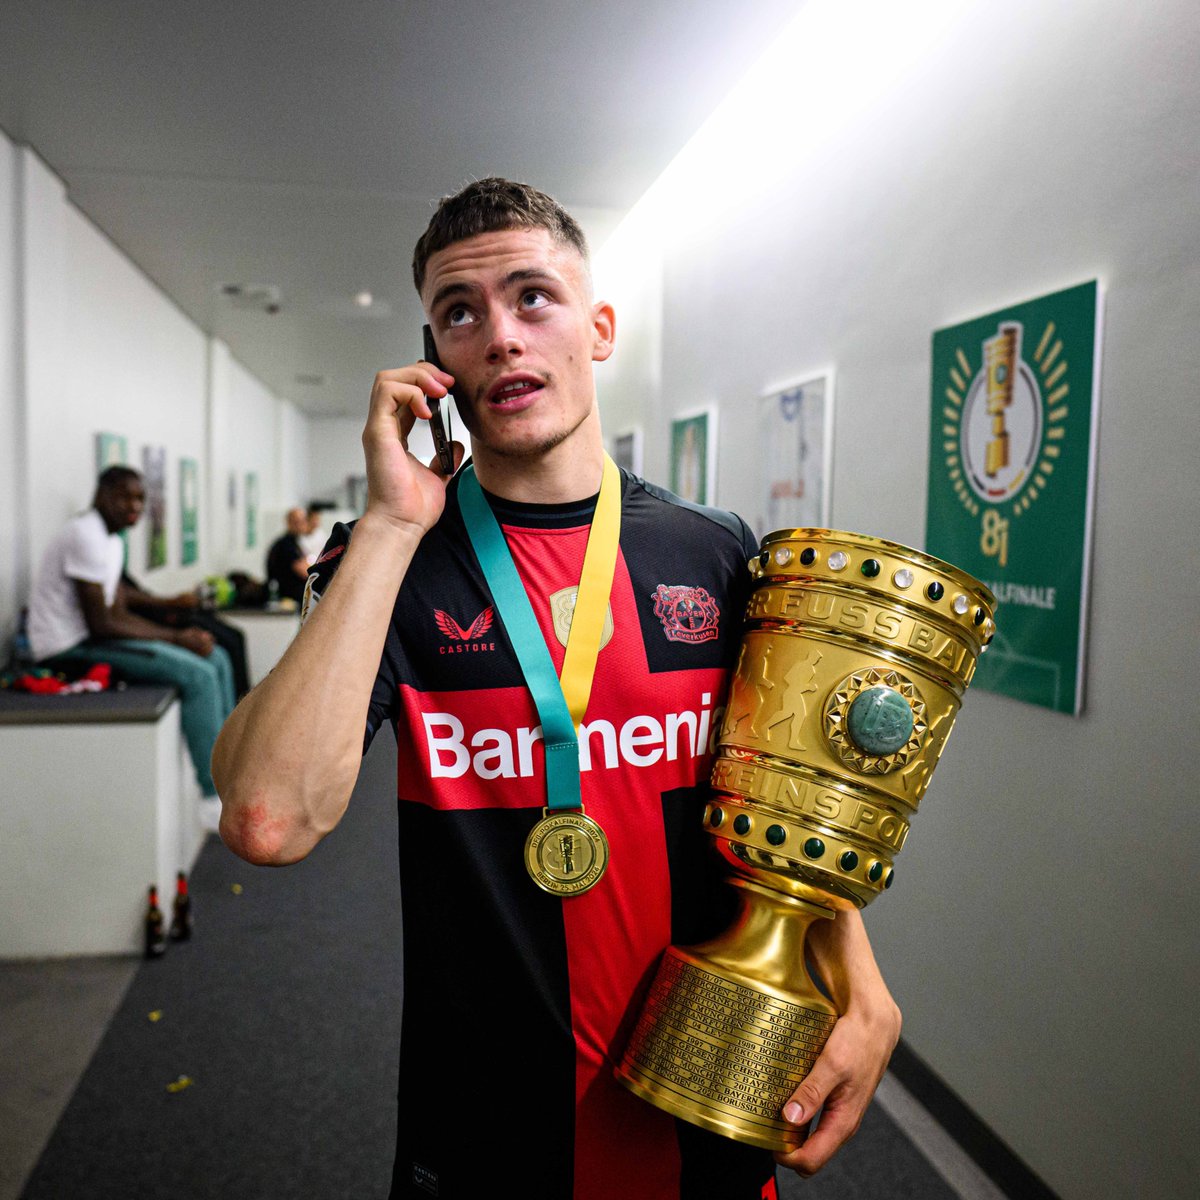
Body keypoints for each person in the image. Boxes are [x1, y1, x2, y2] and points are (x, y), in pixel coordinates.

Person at [212, 178, 900, 1199]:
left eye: (533, 297)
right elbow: (269, 819)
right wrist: (393, 524)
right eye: (460, 312)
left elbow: (779, 793)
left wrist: (859, 968)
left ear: (600, 327)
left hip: (705, 1080)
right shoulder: (391, 566)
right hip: (489, 1114)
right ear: (434, 360)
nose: (499, 335)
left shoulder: (712, 552)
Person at [28, 465, 236, 824]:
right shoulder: (85, 535)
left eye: (141, 498)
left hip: (93, 637)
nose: (135, 506)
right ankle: (211, 795)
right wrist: (176, 638)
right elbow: (104, 624)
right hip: (67, 647)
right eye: (126, 496)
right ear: (102, 495)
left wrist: (170, 610)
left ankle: (234, 764)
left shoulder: (110, 539)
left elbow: (118, 602)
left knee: (216, 656)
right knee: (199, 676)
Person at [120, 569, 252, 699]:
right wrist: (175, 636)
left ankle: (244, 714)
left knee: (233, 639)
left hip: (159, 615)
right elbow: (111, 617)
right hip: (144, 626)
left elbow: (126, 593)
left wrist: (169, 604)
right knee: (203, 672)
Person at [264, 506, 311, 605]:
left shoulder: (293, 543)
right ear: (289, 522)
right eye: (297, 522)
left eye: (302, 521)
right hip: (288, 601)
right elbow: (306, 572)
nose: (301, 525)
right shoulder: (286, 545)